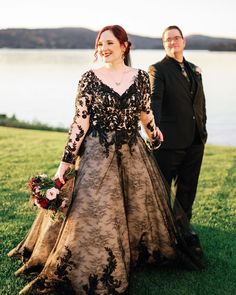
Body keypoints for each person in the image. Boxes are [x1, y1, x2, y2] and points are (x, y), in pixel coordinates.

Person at [8, 25, 204, 295]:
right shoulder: (89, 78)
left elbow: (145, 113)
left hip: (133, 152)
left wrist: (154, 135)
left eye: (110, 43)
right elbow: (80, 124)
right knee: (93, 211)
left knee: (135, 209)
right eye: (100, 44)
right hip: (97, 154)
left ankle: (133, 253)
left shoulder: (140, 77)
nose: (104, 48)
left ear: (124, 46)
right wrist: (64, 165)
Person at [148, 25, 207, 224]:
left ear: (183, 41)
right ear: (164, 44)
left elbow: (200, 102)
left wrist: (203, 127)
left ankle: (183, 226)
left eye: (176, 38)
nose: (173, 42)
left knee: (188, 189)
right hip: (169, 143)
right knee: (161, 190)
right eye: (168, 40)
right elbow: (154, 100)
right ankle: (163, 230)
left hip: (195, 140)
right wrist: (153, 129)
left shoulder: (194, 70)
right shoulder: (158, 69)